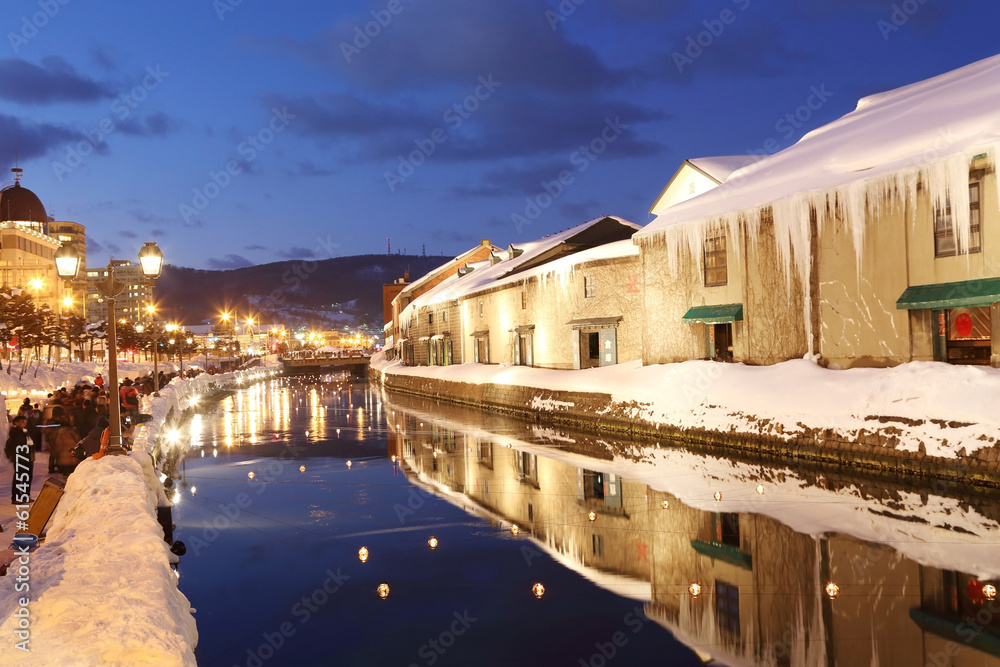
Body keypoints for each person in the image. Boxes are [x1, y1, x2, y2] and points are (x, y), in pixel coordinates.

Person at [5, 415, 31, 503]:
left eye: (25, 422)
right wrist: (10, 456)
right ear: (17, 423)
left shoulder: (23, 432)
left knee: (26, 477)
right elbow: (8, 446)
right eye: (23, 422)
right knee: (19, 477)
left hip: (26, 457)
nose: (25, 424)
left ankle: (25, 496)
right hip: (19, 458)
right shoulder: (14, 433)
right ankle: (16, 497)